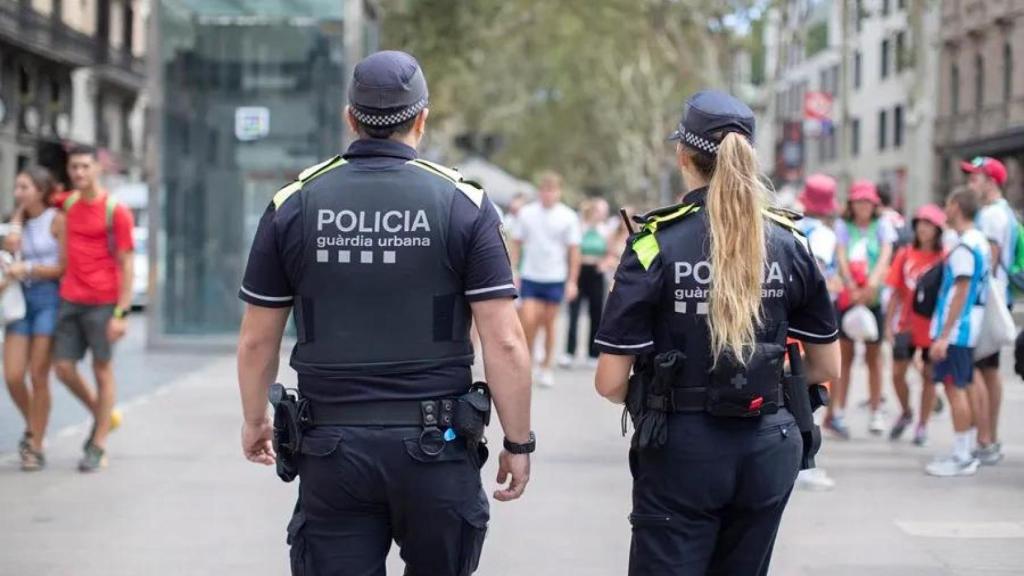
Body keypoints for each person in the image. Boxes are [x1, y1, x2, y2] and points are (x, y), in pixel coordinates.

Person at [236, 51, 533, 576]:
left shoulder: (294, 203)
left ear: (351, 118)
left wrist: (255, 418)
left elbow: (257, 340)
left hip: (331, 453)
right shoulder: (462, 203)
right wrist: (517, 441)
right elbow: (504, 340)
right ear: (422, 118)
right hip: (437, 449)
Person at [593, 90, 840, 575]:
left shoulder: (653, 243)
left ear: (685, 157)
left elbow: (609, 381)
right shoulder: (791, 241)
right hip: (770, 442)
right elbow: (827, 366)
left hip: (681, 448)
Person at [53, 145, 135, 473]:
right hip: (71, 298)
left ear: (97, 169)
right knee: (63, 368)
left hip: (103, 303)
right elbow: (36, 202)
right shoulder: (68, 203)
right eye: (74, 167)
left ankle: (98, 444)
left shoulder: (116, 210)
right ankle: (104, 415)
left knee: (103, 370)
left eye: (85, 167)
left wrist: (122, 313)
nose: (79, 173)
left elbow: (127, 264)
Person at [2, 167, 65, 471]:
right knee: (13, 376)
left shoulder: (56, 221)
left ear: (40, 190)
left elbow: (63, 268)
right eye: (17, 188)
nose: (18, 193)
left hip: (48, 300)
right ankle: (34, 425)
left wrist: (27, 269)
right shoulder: (17, 222)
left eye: (24, 187)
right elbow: (9, 256)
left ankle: (35, 444)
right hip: (19, 302)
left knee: (39, 375)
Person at [927, 187, 990, 477]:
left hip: (957, 332)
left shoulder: (965, 247)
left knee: (955, 390)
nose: (945, 210)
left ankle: (963, 455)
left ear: (957, 207)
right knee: (960, 387)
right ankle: (964, 451)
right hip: (966, 330)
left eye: (949, 204)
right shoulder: (979, 242)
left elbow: (960, 291)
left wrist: (944, 335)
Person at [829, 180, 895, 438]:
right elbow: (842, 256)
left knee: (873, 358)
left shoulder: (883, 226)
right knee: (843, 357)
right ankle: (839, 410)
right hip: (849, 298)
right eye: (858, 201)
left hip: (873, 299)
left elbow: (885, 256)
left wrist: (871, 286)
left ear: (874, 204)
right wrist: (851, 286)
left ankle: (877, 409)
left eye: (867, 201)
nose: (863, 206)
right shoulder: (843, 226)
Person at [509, 171, 581, 388]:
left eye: (552, 190)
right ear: (540, 191)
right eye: (545, 190)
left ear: (559, 192)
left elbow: (574, 251)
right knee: (528, 321)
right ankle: (528, 364)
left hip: (555, 278)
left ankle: (546, 368)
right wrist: (514, 270)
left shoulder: (568, 216)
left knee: (549, 324)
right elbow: (516, 243)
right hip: (531, 276)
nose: (548, 194)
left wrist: (572, 281)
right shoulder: (527, 213)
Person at [793, 173, 842, 492]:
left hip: (788, 317)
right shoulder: (822, 234)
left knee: (791, 385)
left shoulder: (792, 228)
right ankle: (804, 464)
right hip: (813, 321)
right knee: (810, 390)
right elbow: (819, 276)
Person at [963, 155, 1012, 465]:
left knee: (976, 369)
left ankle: (983, 438)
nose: (971, 183)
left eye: (976, 178)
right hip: (998, 298)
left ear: (991, 181)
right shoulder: (1002, 212)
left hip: (985, 301)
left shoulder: (992, 216)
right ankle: (989, 437)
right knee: (990, 371)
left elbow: (989, 261)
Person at [884, 204, 946, 446]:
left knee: (930, 376)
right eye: (920, 222)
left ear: (938, 229)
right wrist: (888, 324)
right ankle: (906, 412)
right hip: (905, 324)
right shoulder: (905, 253)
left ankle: (923, 424)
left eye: (929, 223)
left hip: (932, 326)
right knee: (898, 373)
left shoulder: (945, 257)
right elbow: (896, 292)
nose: (923, 228)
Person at [560, 197, 612, 368]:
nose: (601, 214)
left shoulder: (605, 230)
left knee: (596, 313)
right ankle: (569, 352)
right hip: (580, 271)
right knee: (574, 313)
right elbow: (571, 250)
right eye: (598, 211)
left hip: (596, 274)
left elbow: (610, 253)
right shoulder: (579, 228)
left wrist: (605, 263)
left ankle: (593, 353)